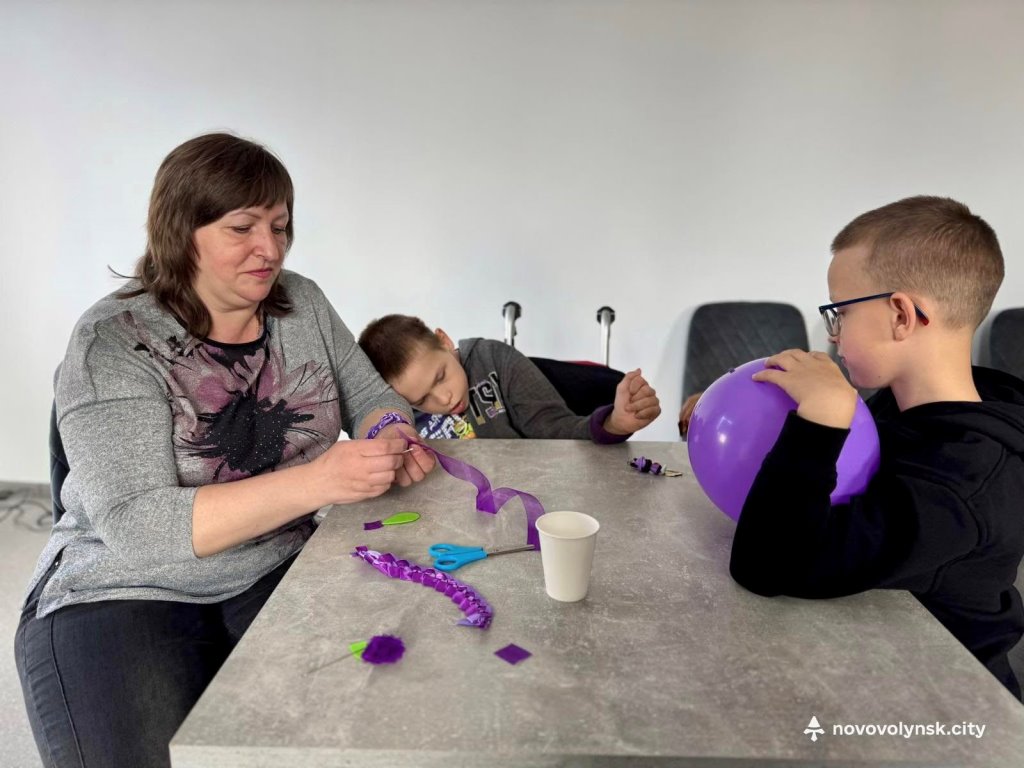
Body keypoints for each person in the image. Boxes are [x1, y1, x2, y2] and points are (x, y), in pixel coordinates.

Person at [15, 133, 435, 768]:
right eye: (243, 228)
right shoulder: (114, 342)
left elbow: (373, 398)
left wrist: (388, 433)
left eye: (280, 226)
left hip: (275, 562)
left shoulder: (302, 303)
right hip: (121, 587)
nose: (271, 249)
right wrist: (317, 482)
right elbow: (136, 525)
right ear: (181, 232)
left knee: (372, 731)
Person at [729, 196, 1024, 699]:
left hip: (947, 707)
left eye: (840, 312)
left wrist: (822, 417)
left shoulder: (963, 483)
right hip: (881, 659)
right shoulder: (907, 410)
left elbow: (765, 567)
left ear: (901, 315)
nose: (834, 335)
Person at [357, 314, 661, 441]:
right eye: (422, 399)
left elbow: (556, 431)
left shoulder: (494, 360)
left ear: (444, 341)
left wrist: (614, 424)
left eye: (440, 377)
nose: (444, 398)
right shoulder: (398, 417)